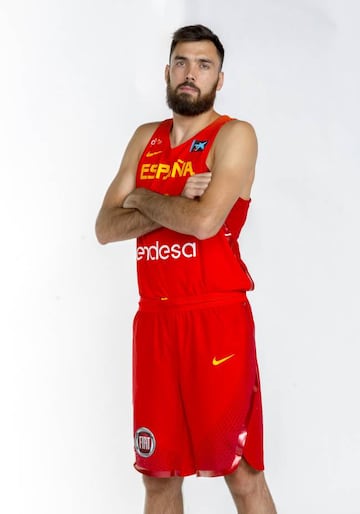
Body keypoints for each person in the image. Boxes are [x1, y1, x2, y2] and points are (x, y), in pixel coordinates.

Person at [96, 24, 277, 514]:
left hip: (215, 318)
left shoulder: (234, 135)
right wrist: (169, 199)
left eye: (204, 65)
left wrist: (141, 198)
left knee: (240, 473)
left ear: (220, 78)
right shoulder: (145, 138)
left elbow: (203, 222)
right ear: (167, 71)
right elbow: (106, 227)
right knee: (157, 477)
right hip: (155, 320)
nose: (190, 74)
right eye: (181, 62)